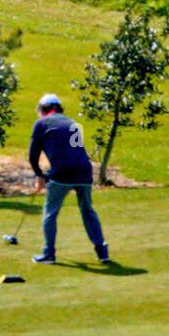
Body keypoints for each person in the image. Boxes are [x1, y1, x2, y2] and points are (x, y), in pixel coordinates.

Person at [27, 93, 110, 264]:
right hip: (84, 171)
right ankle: (102, 252)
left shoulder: (41, 123)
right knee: (88, 211)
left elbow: (32, 155)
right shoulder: (72, 123)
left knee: (50, 213)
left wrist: (40, 175)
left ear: (43, 109)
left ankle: (49, 254)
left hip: (62, 173)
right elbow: (76, 152)